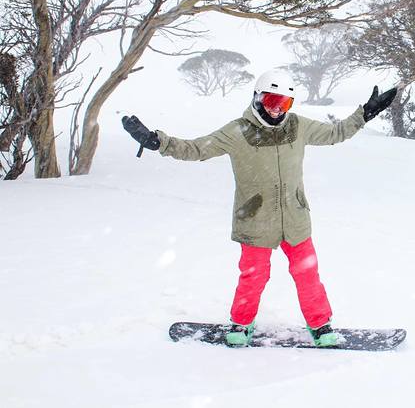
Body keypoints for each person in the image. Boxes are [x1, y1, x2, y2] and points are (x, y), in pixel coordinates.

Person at [122, 69, 397, 346]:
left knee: (307, 274)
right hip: (255, 219)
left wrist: (364, 114)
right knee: (254, 276)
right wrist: (157, 141)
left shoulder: (298, 126)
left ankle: (320, 325)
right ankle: (242, 324)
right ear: (257, 98)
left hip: (295, 217)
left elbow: (335, 132)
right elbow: (196, 149)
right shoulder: (236, 132)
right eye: (271, 101)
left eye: (285, 103)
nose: (278, 110)